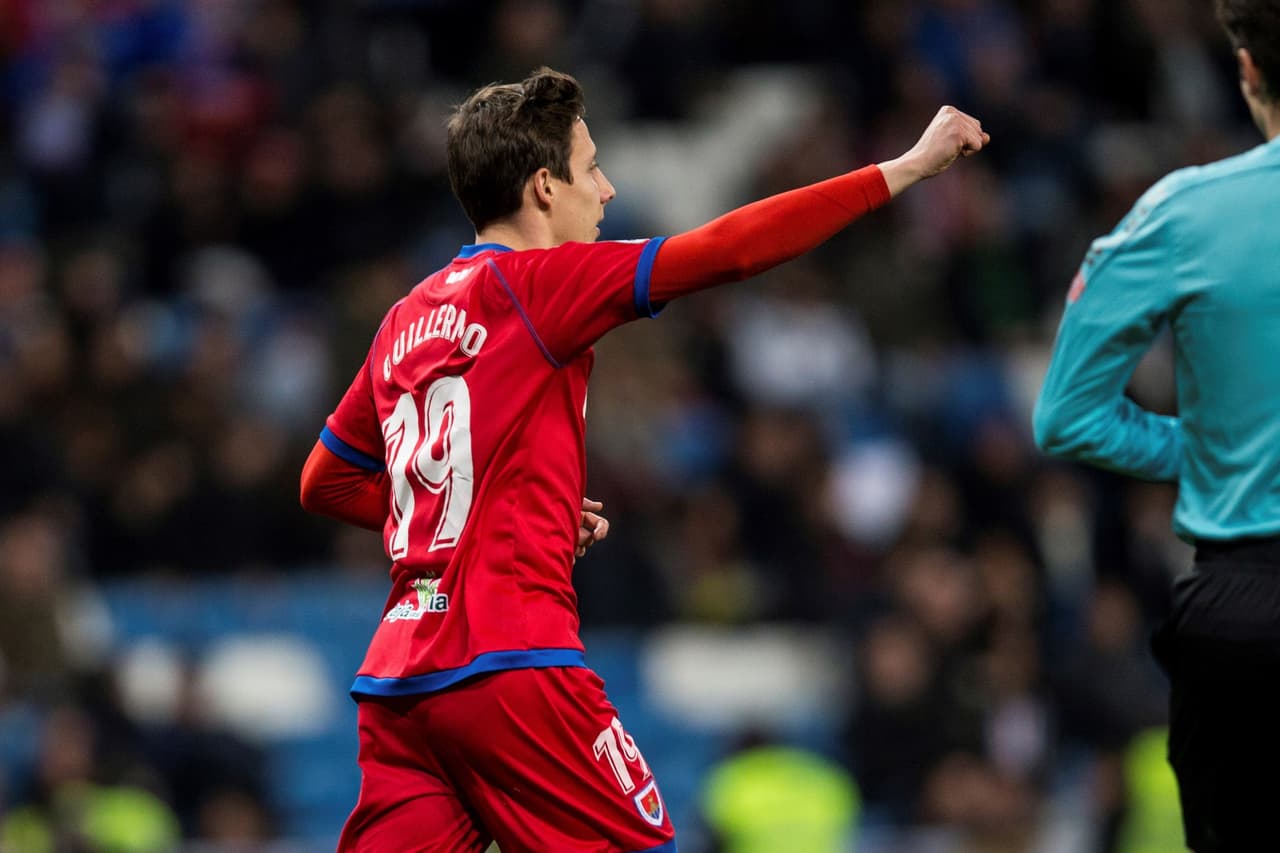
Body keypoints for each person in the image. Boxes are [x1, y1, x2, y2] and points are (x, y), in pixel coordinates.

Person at [300, 66, 987, 853]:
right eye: (591, 166)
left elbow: (325, 482)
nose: (610, 188)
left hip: (400, 683)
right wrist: (903, 169)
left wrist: (504, 509)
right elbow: (724, 251)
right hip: (512, 665)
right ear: (544, 189)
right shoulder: (540, 283)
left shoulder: (404, 318)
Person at [1033, 2, 1280, 850]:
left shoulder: (1185, 212)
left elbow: (1068, 414)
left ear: (1247, 69)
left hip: (1248, 614)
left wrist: (1206, 449)